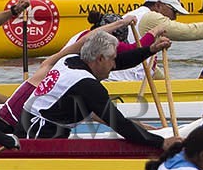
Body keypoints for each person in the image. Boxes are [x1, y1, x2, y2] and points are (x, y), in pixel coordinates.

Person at [21, 30, 169, 148]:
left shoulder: (70, 59)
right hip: (38, 132)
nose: (114, 66)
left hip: (31, 124)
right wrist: (161, 143)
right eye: (112, 60)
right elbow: (119, 124)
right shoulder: (87, 85)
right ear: (100, 59)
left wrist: (150, 50)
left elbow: (120, 61)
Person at [108, 0, 203, 84]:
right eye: (174, 11)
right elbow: (190, 31)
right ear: (159, 5)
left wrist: (170, 83)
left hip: (119, 79)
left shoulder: (133, 15)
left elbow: (145, 63)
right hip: (124, 84)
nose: (174, 17)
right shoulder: (151, 18)